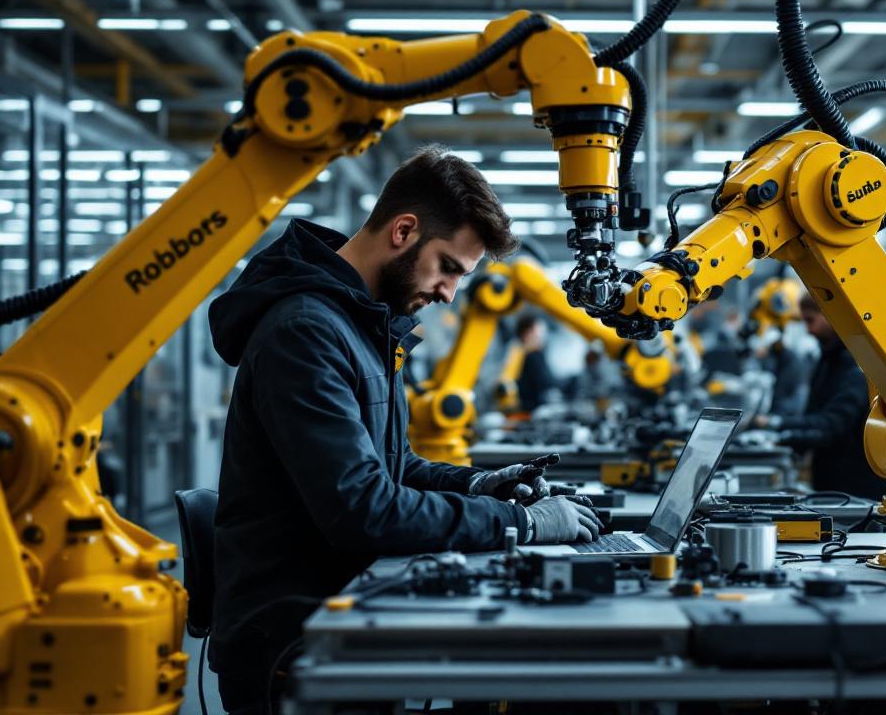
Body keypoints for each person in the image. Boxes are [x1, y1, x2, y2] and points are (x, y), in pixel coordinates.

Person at [206, 145, 600, 712]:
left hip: (343, 615)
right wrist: (524, 523)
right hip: (294, 645)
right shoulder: (306, 333)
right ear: (404, 231)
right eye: (448, 267)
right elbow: (363, 508)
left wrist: (480, 485)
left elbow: (394, 468)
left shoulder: (363, 325)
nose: (449, 293)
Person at [754, 294, 884, 500]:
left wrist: (778, 429)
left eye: (810, 320)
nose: (808, 330)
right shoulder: (829, 358)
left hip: (854, 489)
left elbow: (831, 425)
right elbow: (817, 414)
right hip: (834, 483)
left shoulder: (855, 365)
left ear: (831, 315)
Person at [514, 315, 558, 413]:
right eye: (538, 332)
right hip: (534, 409)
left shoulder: (517, 354)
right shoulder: (532, 356)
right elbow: (546, 382)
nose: (541, 337)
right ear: (527, 334)